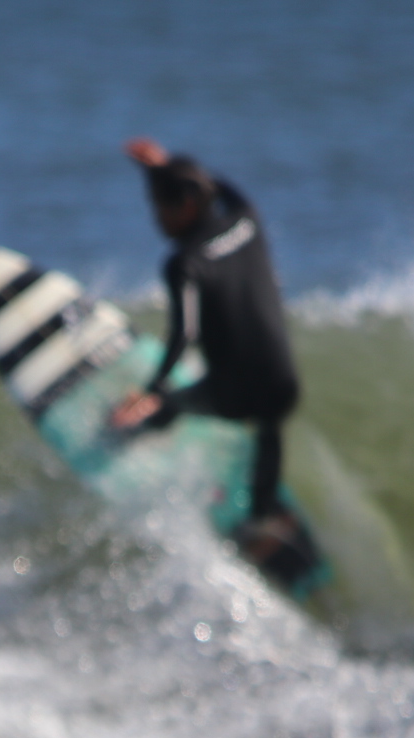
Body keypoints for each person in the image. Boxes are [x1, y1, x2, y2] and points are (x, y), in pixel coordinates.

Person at [109, 137, 306, 563]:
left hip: (235, 394)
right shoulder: (246, 219)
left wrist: (153, 391)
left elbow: (186, 332)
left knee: (176, 403)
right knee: (269, 421)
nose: (156, 218)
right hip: (284, 383)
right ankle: (263, 515)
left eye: (160, 206)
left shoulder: (185, 263)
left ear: (185, 208)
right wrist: (164, 168)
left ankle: (129, 432)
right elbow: (222, 189)